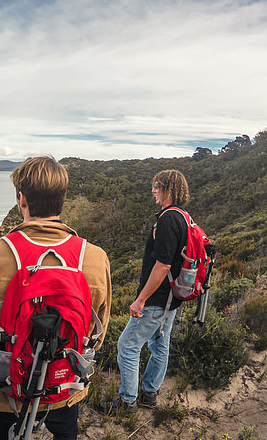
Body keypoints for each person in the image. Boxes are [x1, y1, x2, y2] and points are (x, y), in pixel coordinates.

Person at [0, 156, 112, 440]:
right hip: (66, 381)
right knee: (65, 430)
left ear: (22, 199)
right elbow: (99, 331)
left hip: (7, 384)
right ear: (62, 200)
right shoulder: (94, 258)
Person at [99, 169, 190, 413]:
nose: (153, 191)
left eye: (157, 186)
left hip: (156, 300)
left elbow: (163, 265)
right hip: (171, 299)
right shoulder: (183, 217)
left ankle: (127, 402)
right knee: (160, 344)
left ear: (169, 189)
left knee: (127, 345)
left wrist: (141, 300)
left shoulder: (168, 219)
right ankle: (149, 393)